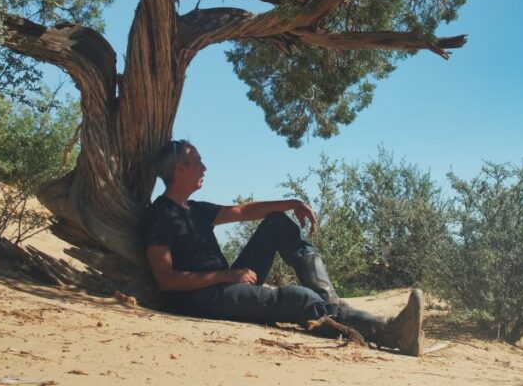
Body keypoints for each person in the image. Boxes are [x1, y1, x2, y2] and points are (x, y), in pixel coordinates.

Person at [141, 139, 424, 356]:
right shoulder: (161, 214)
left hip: (224, 287)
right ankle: (391, 333)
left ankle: (331, 301)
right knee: (296, 299)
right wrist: (224, 276)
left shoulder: (196, 209)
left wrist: (291, 203)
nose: (204, 167)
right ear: (180, 168)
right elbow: (166, 280)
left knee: (276, 222)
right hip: (200, 298)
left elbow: (242, 210)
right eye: (198, 162)